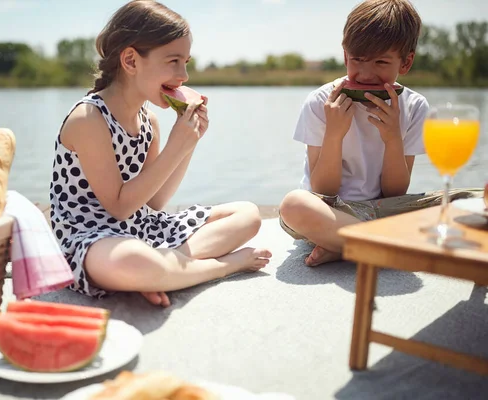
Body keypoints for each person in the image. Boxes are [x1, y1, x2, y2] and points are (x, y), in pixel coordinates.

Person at [50, 0, 271, 307]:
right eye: (173, 61)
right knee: (130, 260)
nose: (184, 75)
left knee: (248, 215)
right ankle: (220, 267)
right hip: (92, 239)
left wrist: (189, 142)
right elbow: (119, 207)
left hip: (142, 230)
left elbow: (154, 201)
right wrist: (175, 146)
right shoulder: (89, 119)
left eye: (186, 62)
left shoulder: (148, 119)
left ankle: (164, 269)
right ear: (130, 60)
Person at [279, 0, 481, 267]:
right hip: (330, 211)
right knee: (294, 205)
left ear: (406, 62)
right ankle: (376, 243)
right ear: (344, 56)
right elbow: (321, 189)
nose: (365, 73)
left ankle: (347, 245)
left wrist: (392, 138)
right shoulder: (320, 103)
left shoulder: (414, 106)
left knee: (476, 200)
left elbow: (395, 191)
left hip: (386, 209)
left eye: (381, 62)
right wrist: (334, 135)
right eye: (357, 60)